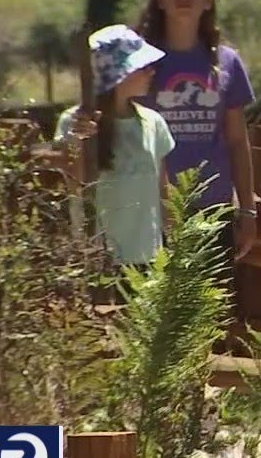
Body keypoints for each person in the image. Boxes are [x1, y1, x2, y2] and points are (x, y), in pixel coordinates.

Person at [133, 0, 259, 267]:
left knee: (207, 311)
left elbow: (236, 142)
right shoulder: (140, 63)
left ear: (208, 1)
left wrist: (246, 209)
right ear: (160, 0)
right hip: (152, 206)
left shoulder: (227, 63)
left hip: (212, 205)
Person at [54, 24, 176, 272]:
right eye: (142, 66)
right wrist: (79, 141)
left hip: (149, 259)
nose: (151, 71)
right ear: (119, 75)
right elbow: (72, 184)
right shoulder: (75, 121)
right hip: (98, 259)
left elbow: (163, 191)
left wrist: (176, 242)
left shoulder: (153, 122)